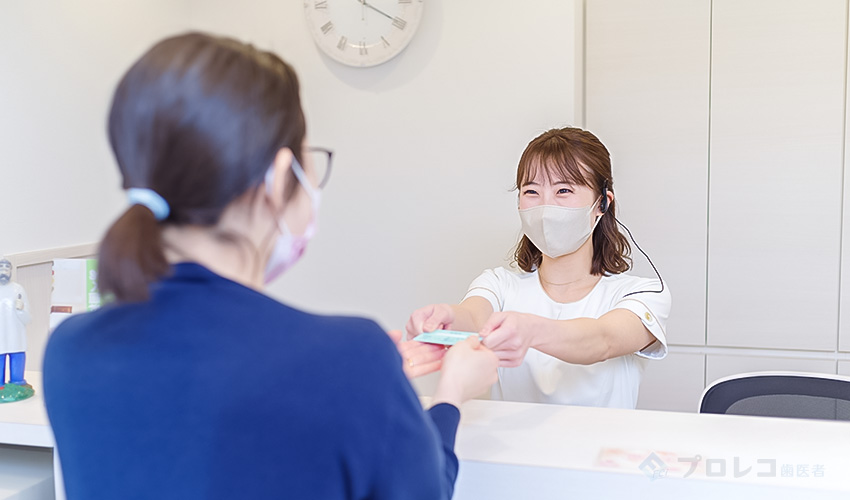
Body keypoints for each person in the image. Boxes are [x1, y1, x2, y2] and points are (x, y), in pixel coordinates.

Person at [43, 32, 498, 500]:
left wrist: (368, 385)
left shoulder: (72, 349)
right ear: (281, 177)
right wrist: (449, 396)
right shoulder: (349, 358)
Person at [406, 127, 671, 409]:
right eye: (531, 191)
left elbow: (603, 340)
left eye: (564, 190)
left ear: (602, 203)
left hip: (599, 451)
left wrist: (531, 330)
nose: (546, 207)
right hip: (511, 452)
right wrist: (445, 318)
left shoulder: (642, 293)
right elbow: (472, 317)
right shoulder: (499, 284)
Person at [0, 256, 31, 387]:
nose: (4, 270)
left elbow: (28, 318)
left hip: (15, 334)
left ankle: (17, 382)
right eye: (1, 267)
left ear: (11, 270)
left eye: (7, 267)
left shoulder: (18, 289)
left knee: (17, 356)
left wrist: (21, 309)